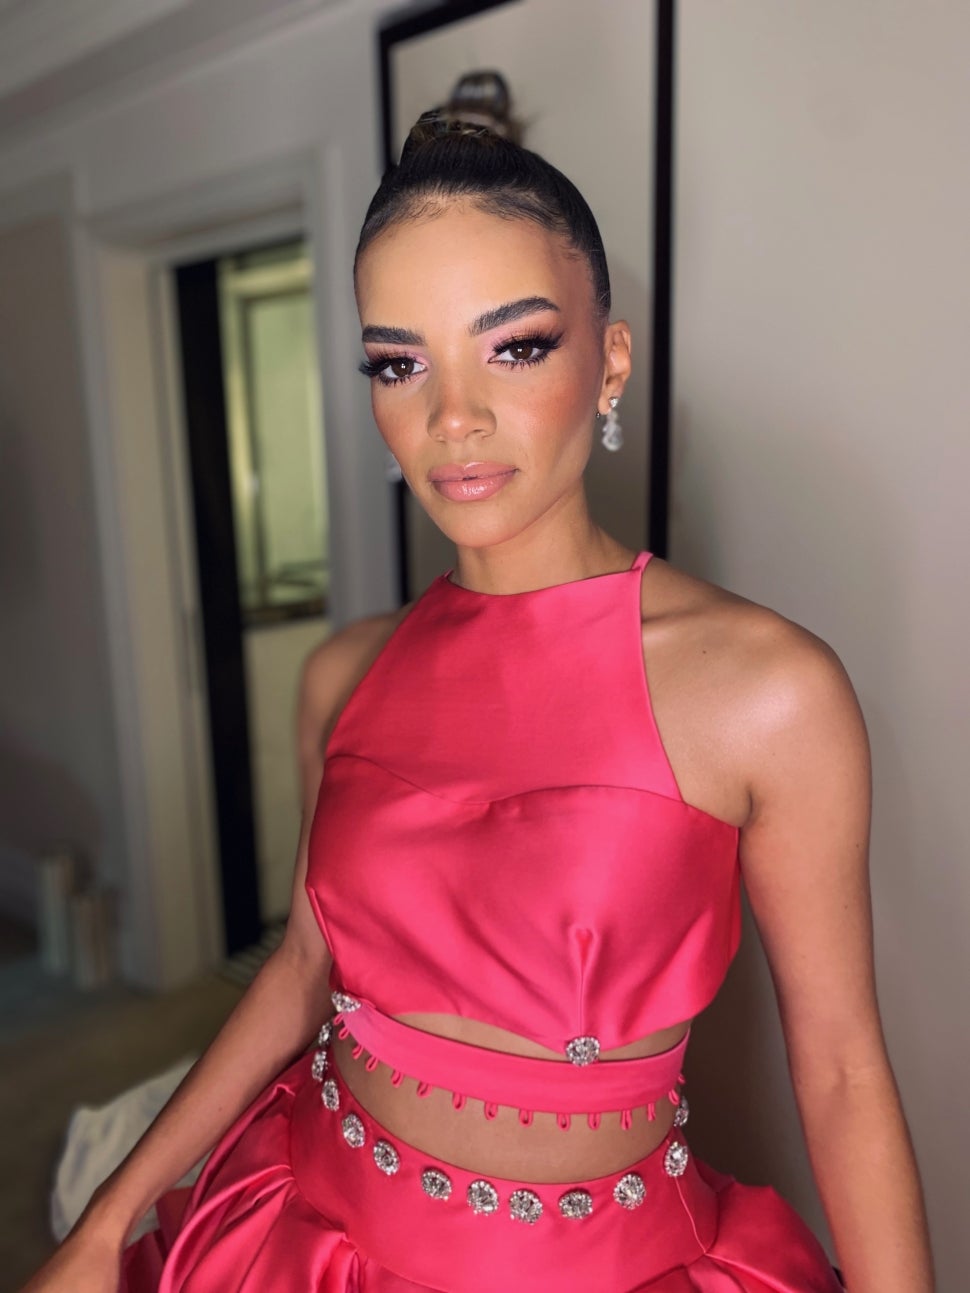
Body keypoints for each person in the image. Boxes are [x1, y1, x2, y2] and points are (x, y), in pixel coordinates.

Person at [21, 107, 933, 1293]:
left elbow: (843, 1074)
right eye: (399, 364)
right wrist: (107, 1223)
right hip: (310, 1235)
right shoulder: (345, 676)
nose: (452, 418)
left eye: (515, 347)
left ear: (610, 361)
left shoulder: (766, 694)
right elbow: (302, 969)